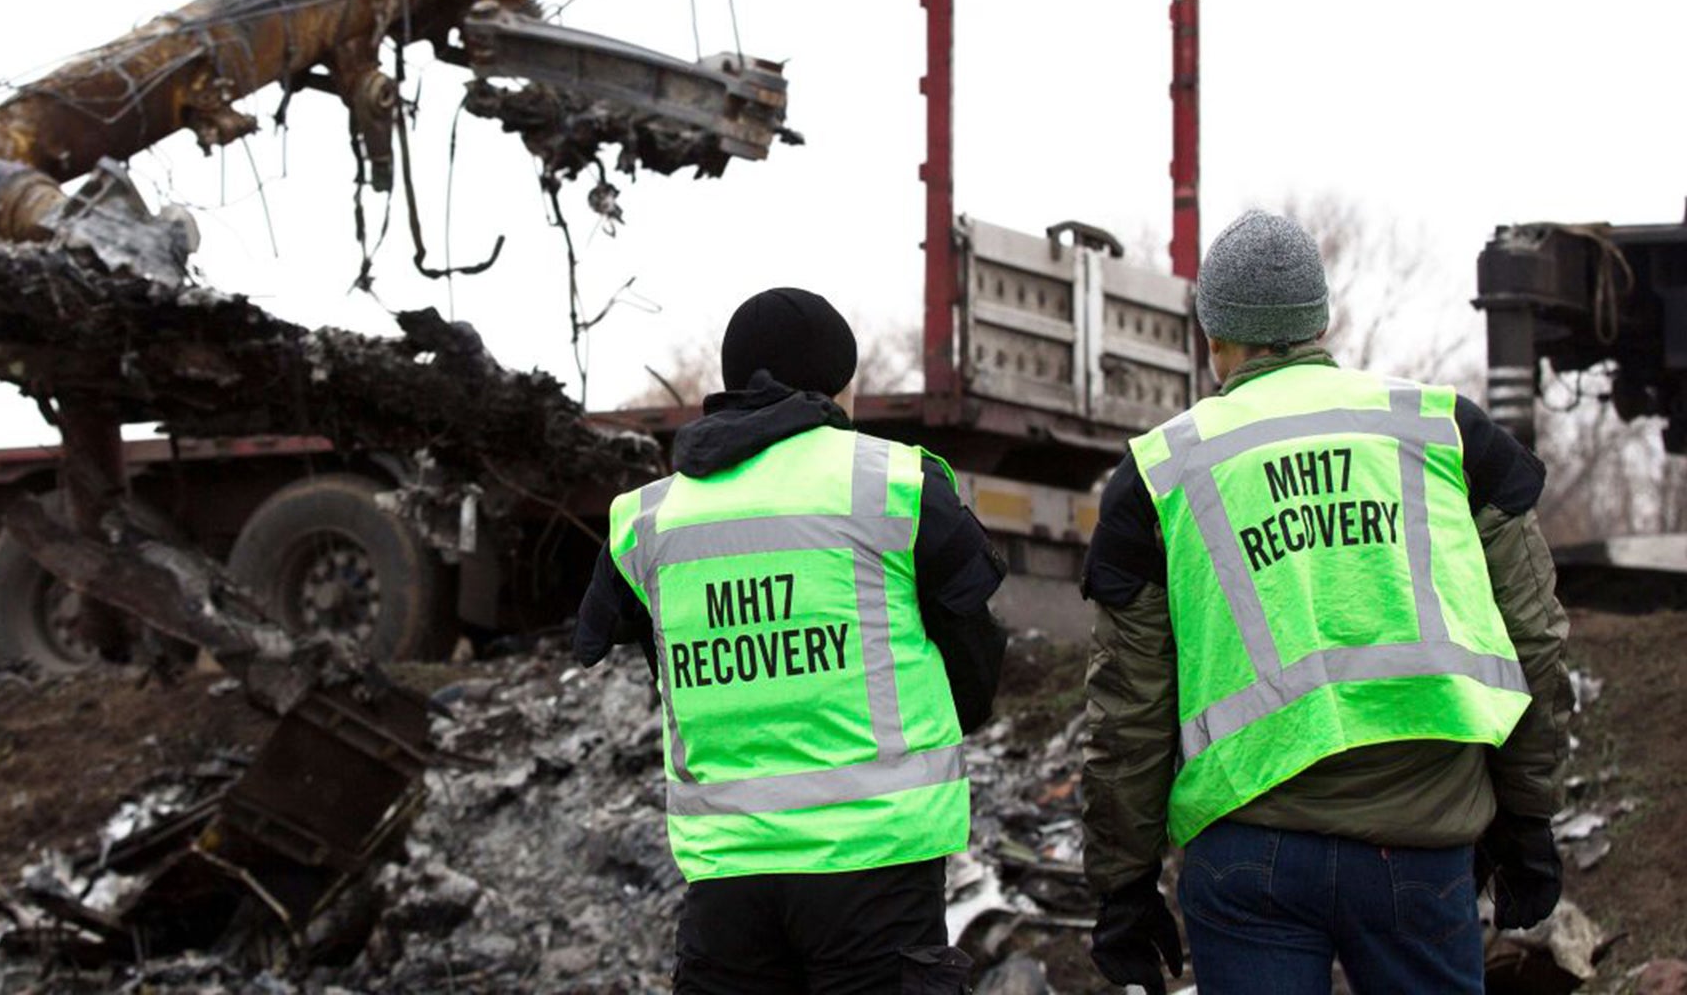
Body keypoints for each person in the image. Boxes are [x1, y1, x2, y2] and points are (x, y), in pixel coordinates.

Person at [1080, 210, 1571, 995]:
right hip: (1422, 840)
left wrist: (1122, 884)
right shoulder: (1443, 434)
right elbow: (1534, 637)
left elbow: (1130, 707)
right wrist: (1530, 817)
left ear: (1214, 340)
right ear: (1321, 322)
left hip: (1249, 850)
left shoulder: (1161, 473)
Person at [575, 287, 1009, 995]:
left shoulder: (646, 519)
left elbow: (642, 658)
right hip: (877, 869)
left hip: (728, 883)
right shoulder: (892, 484)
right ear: (839, 381)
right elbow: (976, 653)